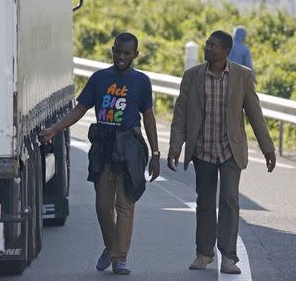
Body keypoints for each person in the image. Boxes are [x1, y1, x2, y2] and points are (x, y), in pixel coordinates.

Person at [41, 32, 160, 275]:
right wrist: (55, 128)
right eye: (118, 51)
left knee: (125, 205)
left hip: (129, 146)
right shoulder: (99, 79)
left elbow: (148, 117)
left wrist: (156, 153)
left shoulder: (141, 82)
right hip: (103, 147)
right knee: (103, 205)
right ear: (112, 50)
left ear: (135, 55)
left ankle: (120, 258)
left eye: (127, 53)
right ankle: (110, 246)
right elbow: (80, 109)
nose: (121, 57)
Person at [168, 30, 276, 274]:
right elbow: (180, 114)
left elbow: (255, 114)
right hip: (203, 148)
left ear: (226, 51)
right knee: (205, 202)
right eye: (207, 44)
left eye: (212, 45)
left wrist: (267, 148)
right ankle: (204, 254)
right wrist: (176, 147)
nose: (207, 48)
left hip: (230, 150)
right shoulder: (193, 75)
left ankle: (228, 257)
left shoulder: (241, 76)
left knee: (229, 200)